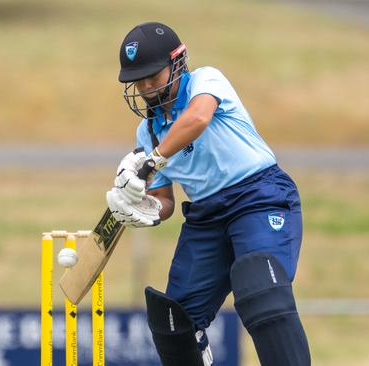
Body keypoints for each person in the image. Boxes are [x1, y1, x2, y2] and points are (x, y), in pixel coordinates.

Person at [105, 22, 311, 366]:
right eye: (137, 81)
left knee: (261, 289)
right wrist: (143, 207)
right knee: (174, 322)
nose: (145, 88)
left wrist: (152, 162)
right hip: (206, 217)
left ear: (178, 62)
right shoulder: (148, 131)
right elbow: (165, 200)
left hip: (258, 195)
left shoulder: (206, 80)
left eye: (152, 77)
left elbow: (198, 118)